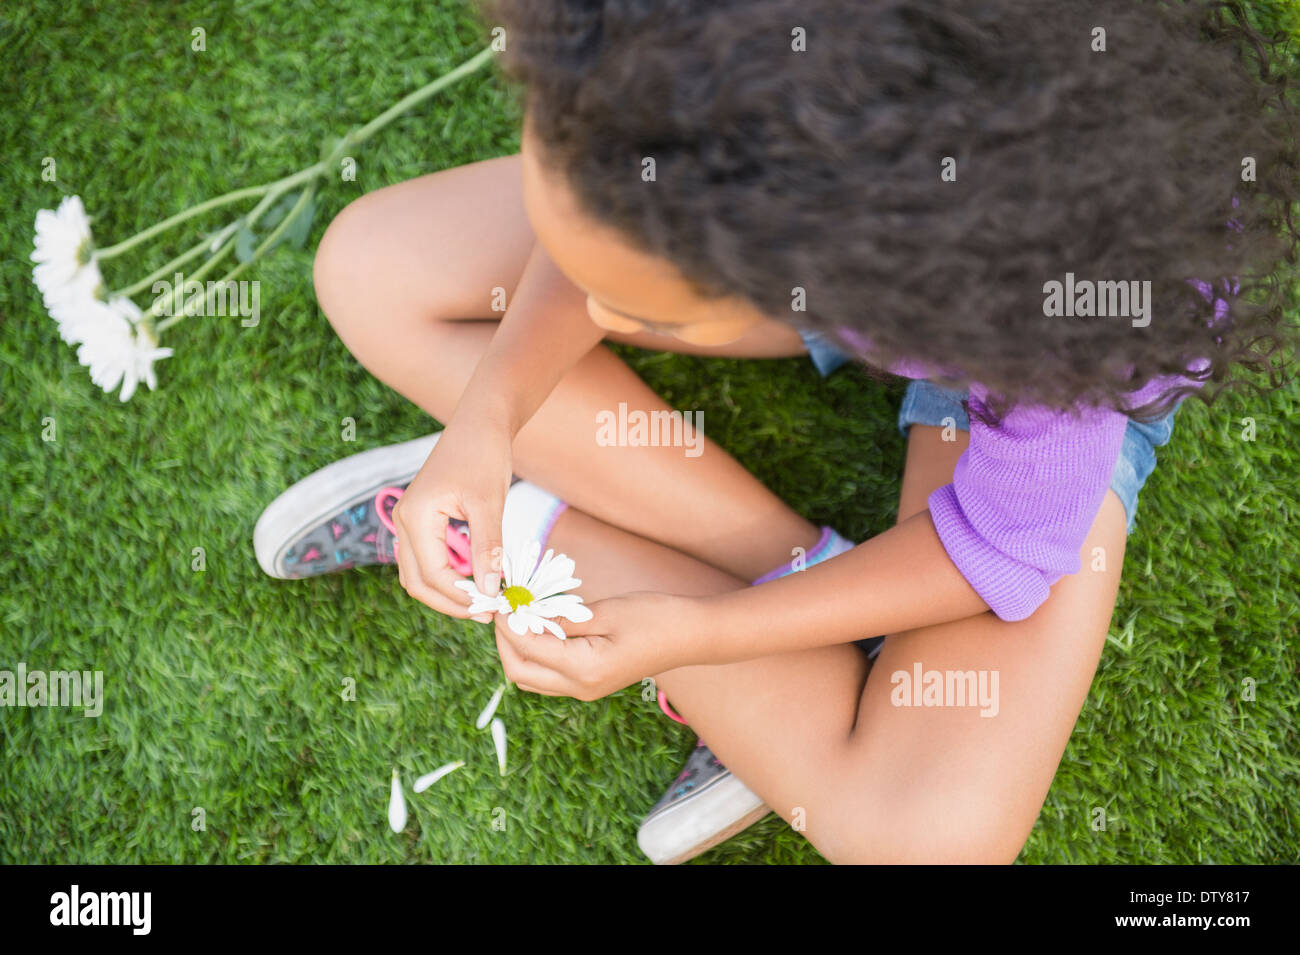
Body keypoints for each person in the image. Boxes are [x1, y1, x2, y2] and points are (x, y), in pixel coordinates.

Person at [254, 0, 1299, 863]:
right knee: (370, 270)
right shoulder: (698, 71)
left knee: (924, 844)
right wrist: (486, 422)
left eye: (645, 316)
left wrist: (693, 634)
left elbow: (999, 546)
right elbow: (596, 240)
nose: (603, 321)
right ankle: (790, 576)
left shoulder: (1067, 334)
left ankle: (555, 530)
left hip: (1008, 349)